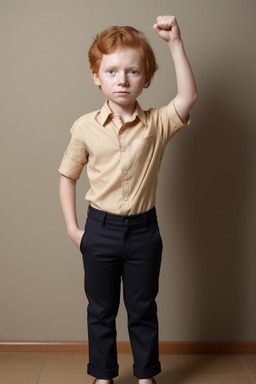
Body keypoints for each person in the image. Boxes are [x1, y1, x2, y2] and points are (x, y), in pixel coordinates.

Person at [59, 15, 197, 384]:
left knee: (142, 309)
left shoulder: (157, 124)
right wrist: (75, 229)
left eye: (133, 72)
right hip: (99, 230)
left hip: (143, 232)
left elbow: (188, 97)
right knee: (101, 310)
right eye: (112, 71)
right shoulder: (84, 126)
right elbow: (67, 175)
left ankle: (145, 376)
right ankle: (103, 376)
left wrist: (174, 43)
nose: (122, 79)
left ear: (147, 79)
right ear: (96, 75)